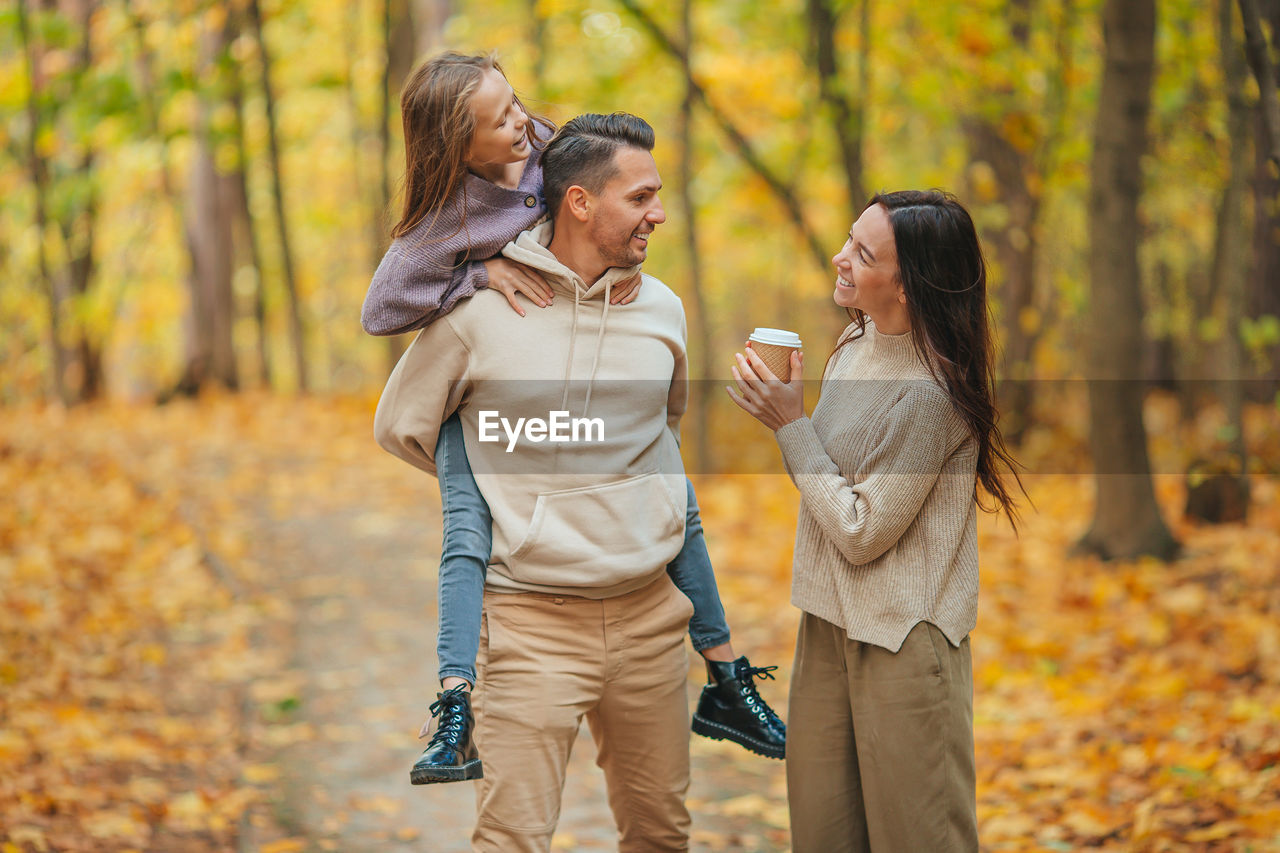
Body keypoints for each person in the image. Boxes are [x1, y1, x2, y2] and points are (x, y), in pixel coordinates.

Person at [361, 52, 785, 788]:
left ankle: (724, 674)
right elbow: (383, 308)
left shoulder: (547, 150)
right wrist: (480, 274)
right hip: (487, 391)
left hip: (581, 334)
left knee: (669, 486)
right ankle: (454, 703)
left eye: (515, 101)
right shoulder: (447, 213)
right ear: (460, 147)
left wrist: (618, 269)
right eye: (499, 120)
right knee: (466, 530)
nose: (520, 120)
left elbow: (604, 179)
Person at [727, 190, 1023, 852]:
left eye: (862, 253)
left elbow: (862, 530)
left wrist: (790, 425)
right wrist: (788, 417)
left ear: (909, 286)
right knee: (823, 835)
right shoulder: (855, 343)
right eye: (849, 240)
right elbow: (828, 479)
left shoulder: (933, 393)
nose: (841, 258)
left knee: (919, 839)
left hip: (903, 640)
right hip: (827, 626)